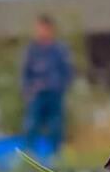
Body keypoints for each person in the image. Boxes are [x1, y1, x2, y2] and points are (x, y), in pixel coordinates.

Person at [21, 15, 73, 153]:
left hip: (54, 92)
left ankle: (56, 155)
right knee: (31, 124)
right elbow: (25, 72)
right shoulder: (32, 50)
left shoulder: (59, 50)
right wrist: (27, 90)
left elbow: (67, 71)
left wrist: (61, 86)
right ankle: (29, 154)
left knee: (55, 126)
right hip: (36, 93)